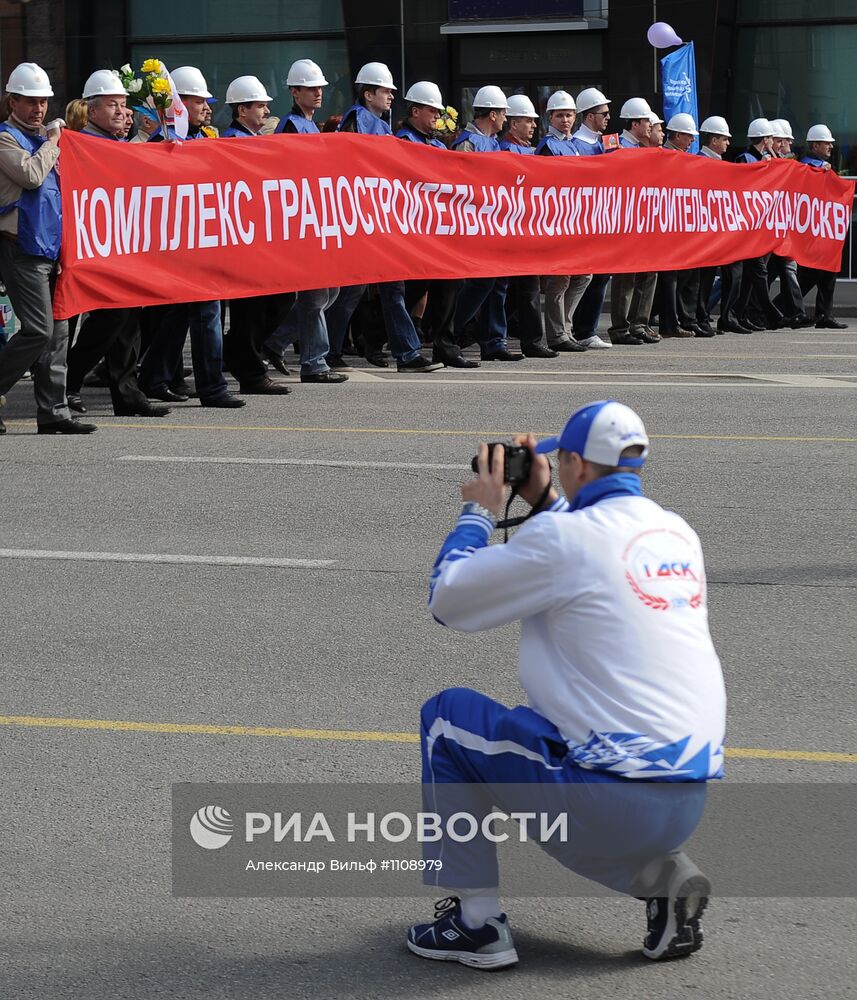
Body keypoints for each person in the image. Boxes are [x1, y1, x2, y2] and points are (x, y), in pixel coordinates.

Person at [409, 400, 725, 969]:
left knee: (447, 722)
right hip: (684, 800)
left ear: (575, 462)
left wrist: (480, 514)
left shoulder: (568, 542)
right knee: (539, 727)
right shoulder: (677, 532)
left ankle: (476, 925)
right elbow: (583, 556)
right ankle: (664, 878)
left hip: (609, 801)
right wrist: (545, 501)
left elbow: (449, 600)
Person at [65, 70, 171, 418]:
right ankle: (69, 380)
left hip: (122, 246)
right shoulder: (80, 143)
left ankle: (126, 394)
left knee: (127, 320)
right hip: (90, 248)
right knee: (107, 320)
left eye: (123, 105)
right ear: (91, 110)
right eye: (112, 105)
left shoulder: (119, 144)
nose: (121, 112)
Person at [138, 65, 245, 407]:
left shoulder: (205, 139)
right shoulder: (160, 144)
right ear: (178, 105)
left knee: (184, 313)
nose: (206, 108)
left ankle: (153, 376)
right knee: (206, 313)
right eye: (198, 101)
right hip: (179, 244)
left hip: (205, 238)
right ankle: (212, 387)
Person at [0, 62, 95, 435]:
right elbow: (31, 175)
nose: (38, 109)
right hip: (20, 247)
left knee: (57, 334)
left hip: (53, 249)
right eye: (30, 102)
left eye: (42, 102)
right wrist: (55, 142)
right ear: (13, 102)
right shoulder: (6, 138)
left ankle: (54, 412)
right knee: (38, 330)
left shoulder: (47, 140)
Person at [332, 64, 442, 373]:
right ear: (368, 94)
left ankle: (404, 354)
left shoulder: (380, 123)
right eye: (386, 91)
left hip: (378, 218)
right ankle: (301, 346)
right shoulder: (357, 121)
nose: (392, 95)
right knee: (350, 291)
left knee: (384, 289)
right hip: (363, 218)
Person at [218, 75, 295, 394]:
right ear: (241, 110)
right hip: (243, 240)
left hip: (262, 237)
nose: (265, 112)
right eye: (260, 106)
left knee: (281, 298)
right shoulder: (232, 142)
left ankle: (237, 353)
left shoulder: (258, 140)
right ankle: (249, 371)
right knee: (250, 309)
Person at [395, 81, 478, 368]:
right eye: (432, 110)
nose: (436, 117)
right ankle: (374, 335)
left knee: (450, 280)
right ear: (414, 111)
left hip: (436, 229)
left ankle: (445, 345)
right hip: (411, 229)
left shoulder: (437, 144)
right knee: (412, 289)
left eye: (439, 112)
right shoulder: (402, 141)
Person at [450, 85, 523, 362]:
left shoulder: (493, 142)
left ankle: (494, 340)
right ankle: (453, 330)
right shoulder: (466, 142)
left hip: (495, 221)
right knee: (482, 282)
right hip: (475, 223)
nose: (506, 118)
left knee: (498, 283)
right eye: (504, 113)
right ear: (493, 114)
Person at [608, 98, 660, 345]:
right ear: (635, 122)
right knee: (626, 275)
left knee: (650, 271)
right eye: (647, 121)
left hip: (645, 220)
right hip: (623, 220)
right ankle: (620, 328)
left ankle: (639, 322)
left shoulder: (645, 149)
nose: (651, 126)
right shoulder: (612, 145)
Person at [695, 117, 749, 335]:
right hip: (706, 230)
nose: (728, 143)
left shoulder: (724, 165)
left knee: (735, 272)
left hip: (725, 229)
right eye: (725, 139)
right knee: (704, 276)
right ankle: (701, 316)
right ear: (714, 139)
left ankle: (727, 316)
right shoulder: (698, 161)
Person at [568, 88, 613, 350]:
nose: (608, 117)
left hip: (603, 218)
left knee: (601, 276)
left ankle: (587, 328)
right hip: (585, 220)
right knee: (586, 278)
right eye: (603, 113)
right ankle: (581, 328)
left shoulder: (603, 144)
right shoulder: (576, 145)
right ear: (589, 116)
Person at [792, 125, 847, 329]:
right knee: (808, 276)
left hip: (821, 227)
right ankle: (779, 308)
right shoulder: (807, 166)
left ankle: (825, 314)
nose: (831, 146)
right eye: (826, 143)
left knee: (827, 271)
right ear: (815, 145)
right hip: (810, 229)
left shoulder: (822, 166)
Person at [734, 119, 784, 332]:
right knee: (757, 271)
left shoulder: (765, 158)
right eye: (771, 138)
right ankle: (770, 312)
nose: (774, 142)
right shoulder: (745, 159)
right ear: (765, 140)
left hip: (759, 226)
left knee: (748, 275)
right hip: (747, 227)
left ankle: (740, 314)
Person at [658, 114, 701, 338]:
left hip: (684, 225)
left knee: (686, 276)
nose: (692, 141)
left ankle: (682, 318)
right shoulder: (665, 157)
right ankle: (669, 322)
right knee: (670, 278)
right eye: (689, 136)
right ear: (677, 135)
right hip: (668, 226)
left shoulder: (685, 157)